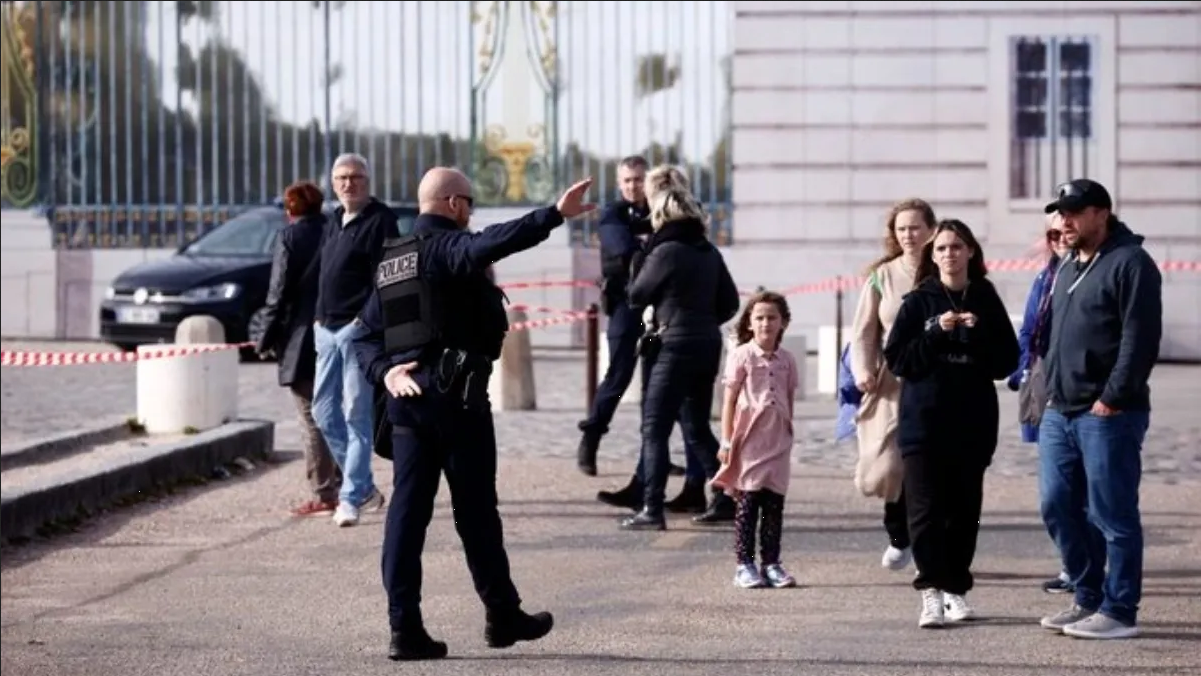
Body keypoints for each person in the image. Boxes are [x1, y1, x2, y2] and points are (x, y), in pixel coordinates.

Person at [351, 166, 597, 660]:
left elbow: (363, 335)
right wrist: (553, 214)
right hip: (456, 404)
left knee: (406, 516)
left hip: (407, 407)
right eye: (471, 205)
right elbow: (490, 244)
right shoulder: (445, 248)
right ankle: (501, 615)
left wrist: (387, 374)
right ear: (455, 205)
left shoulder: (391, 259)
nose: (472, 216)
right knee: (477, 514)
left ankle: (406, 629)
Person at [1036, 179, 1162, 640]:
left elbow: (1139, 339)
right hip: (1060, 410)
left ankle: (1120, 608)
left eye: (1073, 212)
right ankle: (1087, 597)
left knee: (1112, 515)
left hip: (1107, 413)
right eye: (1059, 212)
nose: (1063, 221)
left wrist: (1112, 397)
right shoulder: (1068, 264)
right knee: (1057, 505)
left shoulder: (1131, 264)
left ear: (1101, 213)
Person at [883, 218, 1020, 629]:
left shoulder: (985, 297)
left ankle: (956, 589)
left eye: (957, 247)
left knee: (963, 510)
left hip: (972, 421)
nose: (949, 254)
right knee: (924, 511)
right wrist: (936, 333)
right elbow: (899, 359)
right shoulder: (919, 300)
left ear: (971, 252)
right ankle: (930, 591)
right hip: (923, 422)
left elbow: (1006, 361)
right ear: (932, 255)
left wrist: (977, 335)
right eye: (941, 248)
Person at [620, 165, 741, 531]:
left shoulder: (666, 250)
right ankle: (723, 497)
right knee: (696, 425)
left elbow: (636, 295)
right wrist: (703, 321)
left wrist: (639, 263)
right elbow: (731, 303)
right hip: (706, 344)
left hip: (673, 344)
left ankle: (651, 508)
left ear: (662, 214)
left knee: (654, 426)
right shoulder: (708, 252)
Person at [849, 198, 936, 571]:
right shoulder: (881, 276)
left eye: (915, 227)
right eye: (901, 229)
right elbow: (864, 331)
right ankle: (898, 534)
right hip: (892, 381)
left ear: (931, 230)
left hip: (936, 380)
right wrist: (863, 371)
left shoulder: (944, 267)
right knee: (888, 465)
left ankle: (931, 544)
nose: (908, 235)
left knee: (931, 464)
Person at [312, 152, 397, 527]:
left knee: (355, 414)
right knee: (323, 412)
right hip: (325, 331)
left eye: (357, 177)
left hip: (357, 332)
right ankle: (361, 486)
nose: (349, 183)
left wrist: (363, 322)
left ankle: (349, 499)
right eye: (342, 177)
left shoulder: (381, 221)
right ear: (333, 183)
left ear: (368, 181)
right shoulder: (332, 221)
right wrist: (317, 318)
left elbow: (388, 279)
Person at [256, 181, 342, 517]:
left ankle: (324, 493)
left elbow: (277, 295)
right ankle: (353, 483)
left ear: (291, 210)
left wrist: (264, 338)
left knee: (312, 418)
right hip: (336, 330)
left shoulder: (289, 238)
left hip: (301, 340)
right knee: (336, 410)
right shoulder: (335, 232)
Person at [710, 291, 800, 589]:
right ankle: (744, 564)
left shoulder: (787, 360)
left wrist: (788, 432)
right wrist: (726, 441)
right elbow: (729, 400)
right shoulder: (742, 355)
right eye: (759, 318)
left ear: (783, 322)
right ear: (750, 322)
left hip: (778, 442)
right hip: (749, 441)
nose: (765, 324)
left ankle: (772, 563)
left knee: (774, 505)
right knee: (749, 504)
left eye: (772, 318)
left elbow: (788, 398)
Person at [1007, 212, 1074, 595]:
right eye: (1053, 232)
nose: (1060, 238)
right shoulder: (1045, 278)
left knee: (1084, 493)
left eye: (1065, 229)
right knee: (1056, 494)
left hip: (1086, 396)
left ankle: (1085, 571)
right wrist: (1019, 368)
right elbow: (1029, 328)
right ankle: (1073, 563)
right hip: (1045, 390)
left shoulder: (1105, 269)